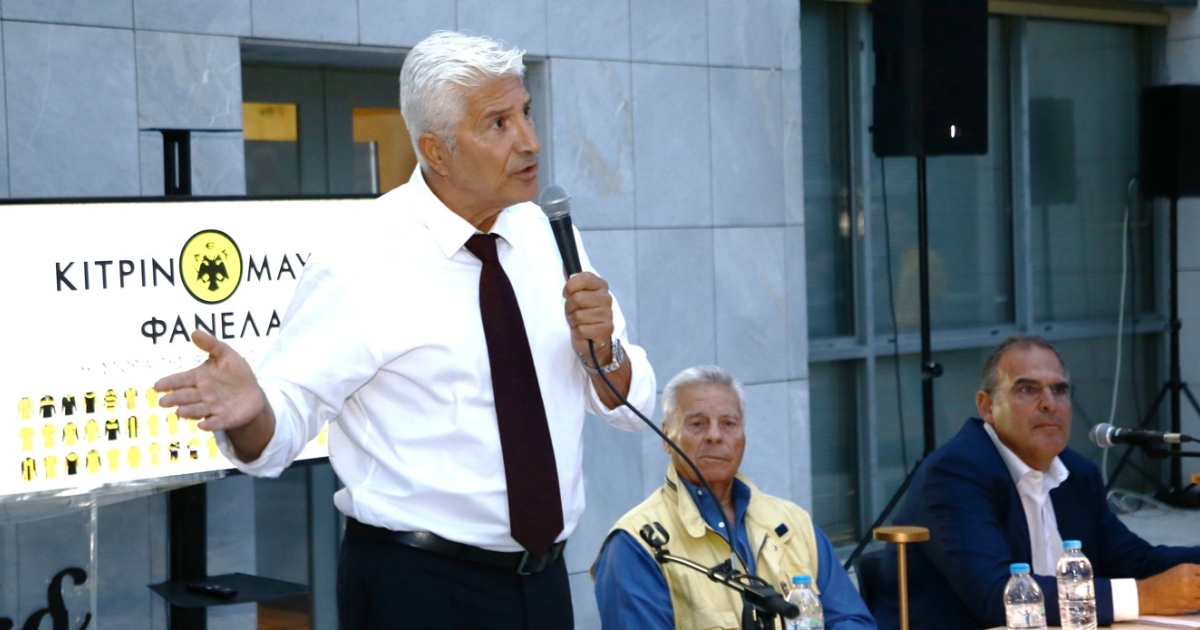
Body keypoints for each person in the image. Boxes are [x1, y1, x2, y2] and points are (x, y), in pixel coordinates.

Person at [155, 31, 656, 629]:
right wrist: (251, 410)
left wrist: (605, 352)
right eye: (498, 123)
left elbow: (632, 406)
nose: (529, 140)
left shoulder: (549, 234)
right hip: (416, 587)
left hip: (544, 583)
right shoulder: (361, 257)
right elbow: (282, 427)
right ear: (436, 151)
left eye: (525, 112)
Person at [870, 335, 1200, 629]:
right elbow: (997, 595)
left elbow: (1134, 561)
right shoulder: (955, 474)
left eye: (1060, 390)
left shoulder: (1076, 473)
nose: (1049, 403)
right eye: (1027, 389)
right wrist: (1142, 596)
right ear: (987, 407)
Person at [592, 365, 876, 629]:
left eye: (729, 424)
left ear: (743, 436)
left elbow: (852, 619)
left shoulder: (793, 523)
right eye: (697, 424)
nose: (715, 436)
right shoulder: (635, 543)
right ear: (667, 436)